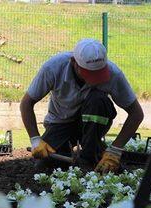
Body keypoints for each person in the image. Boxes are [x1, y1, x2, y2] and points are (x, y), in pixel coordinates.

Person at [20, 38, 144, 173]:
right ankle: (91, 152)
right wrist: (35, 140)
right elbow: (26, 103)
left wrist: (115, 150)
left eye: (98, 74)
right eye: (89, 74)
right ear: (74, 62)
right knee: (46, 165)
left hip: (92, 124)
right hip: (60, 123)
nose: (94, 80)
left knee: (97, 99)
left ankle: (91, 154)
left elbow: (136, 114)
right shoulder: (53, 68)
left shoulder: (113, 74)